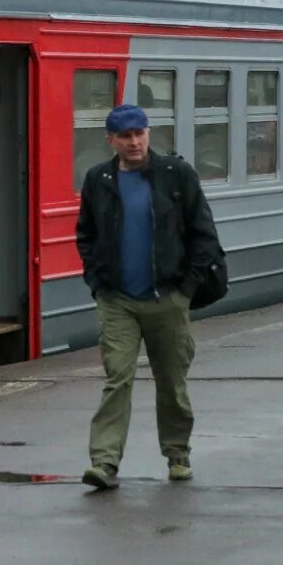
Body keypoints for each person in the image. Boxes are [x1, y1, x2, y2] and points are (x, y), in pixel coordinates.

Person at [75, 104, 221, 490]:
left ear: (149, 134)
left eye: (140, 133)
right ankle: (104, 463)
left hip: (167, 297)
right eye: (125, 136)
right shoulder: (98, 179)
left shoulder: (176, 175)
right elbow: (85, 234)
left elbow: (203, 233)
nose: (134, 142)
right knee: (117, 378)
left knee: (171, 380)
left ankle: (177, 454)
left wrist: (186, 289)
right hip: (117, 299)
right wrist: (97, 281)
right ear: (111, 140)